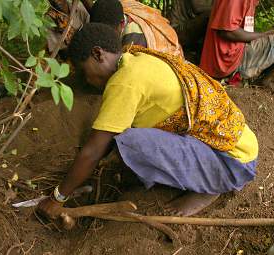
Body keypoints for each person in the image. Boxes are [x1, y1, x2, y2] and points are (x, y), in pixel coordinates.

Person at [38, 23, 258, 219]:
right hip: (237, 146)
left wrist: (58, 198)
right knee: (122, 135)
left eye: (85, 72)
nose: (88, 80)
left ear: (98, 54)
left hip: (232, 163)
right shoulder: (136, 57)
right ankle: (205, 175)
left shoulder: (124, 82)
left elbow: (94, 150)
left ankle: (210, 186)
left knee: (130, 142)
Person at [200, 0, 274, 87]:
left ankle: (261, 81)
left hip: (233, 53)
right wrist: (262, 35)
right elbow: (226, 32)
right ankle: (237, 77)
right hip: (225, 62)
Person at [89, 0, 182, 56]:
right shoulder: (120, 9)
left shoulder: (134, 37)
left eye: (109, 34)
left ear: (122, 24)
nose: (106, 38)